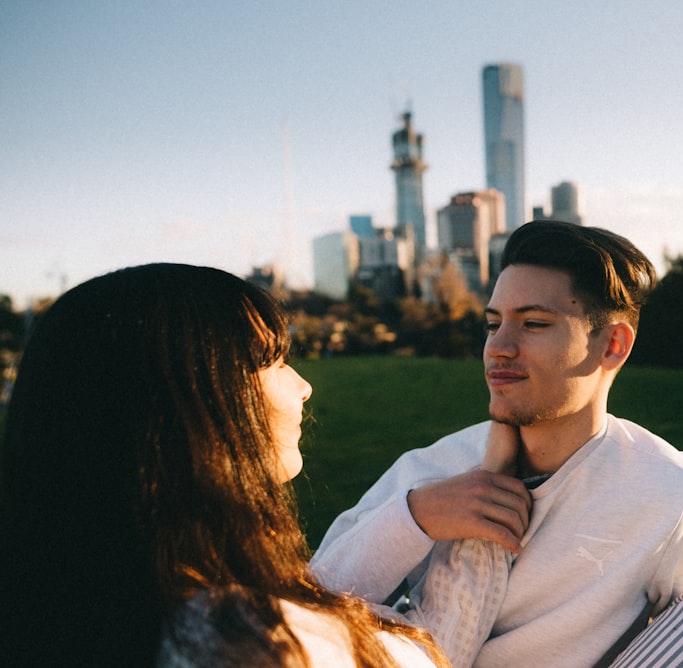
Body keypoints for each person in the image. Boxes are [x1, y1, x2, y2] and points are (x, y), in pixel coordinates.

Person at [0, 263, 506, 667]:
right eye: (274, 362)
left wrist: (413, 518)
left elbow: (311, 598)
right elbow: (425, 651)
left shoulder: (96, 602)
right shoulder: (243, 642)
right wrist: (485, 522)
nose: (303, 386)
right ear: (191, 406)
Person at [311, 221, 683, 667]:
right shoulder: (432, 471)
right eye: (493, 324)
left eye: (533, 323)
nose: (499, 348)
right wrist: (417, 517)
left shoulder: (670, 495)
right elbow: (306, 608)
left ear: (612, 345)